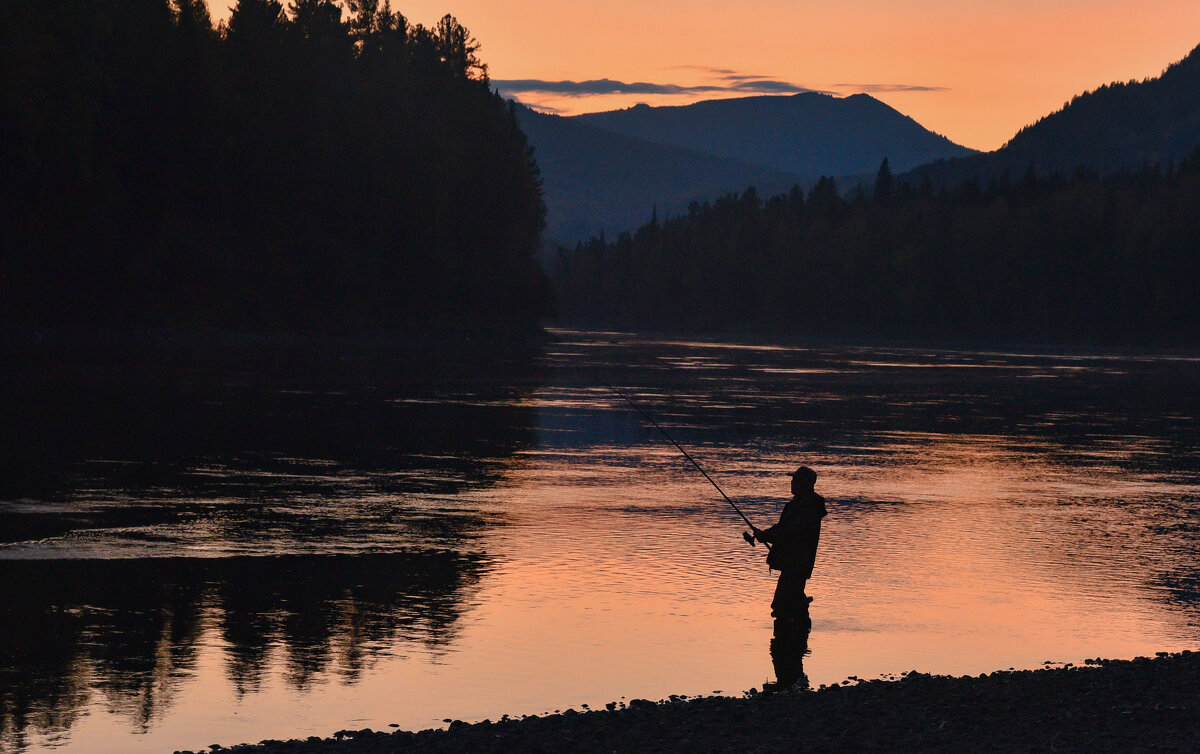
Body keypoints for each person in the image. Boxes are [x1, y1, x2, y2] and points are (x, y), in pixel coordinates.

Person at [753, 466, 827, 621]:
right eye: (793, 479)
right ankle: (796, 634)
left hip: (796, 563)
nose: (792, 483)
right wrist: (765, 535)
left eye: (796, 480)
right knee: (788, 601)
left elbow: (787, 532)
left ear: (806, 484)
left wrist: (764, 535)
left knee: (782, 604)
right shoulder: (806, 505)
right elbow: (785, 530)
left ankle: (793, 634)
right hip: (797, 563)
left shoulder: (805, 507)